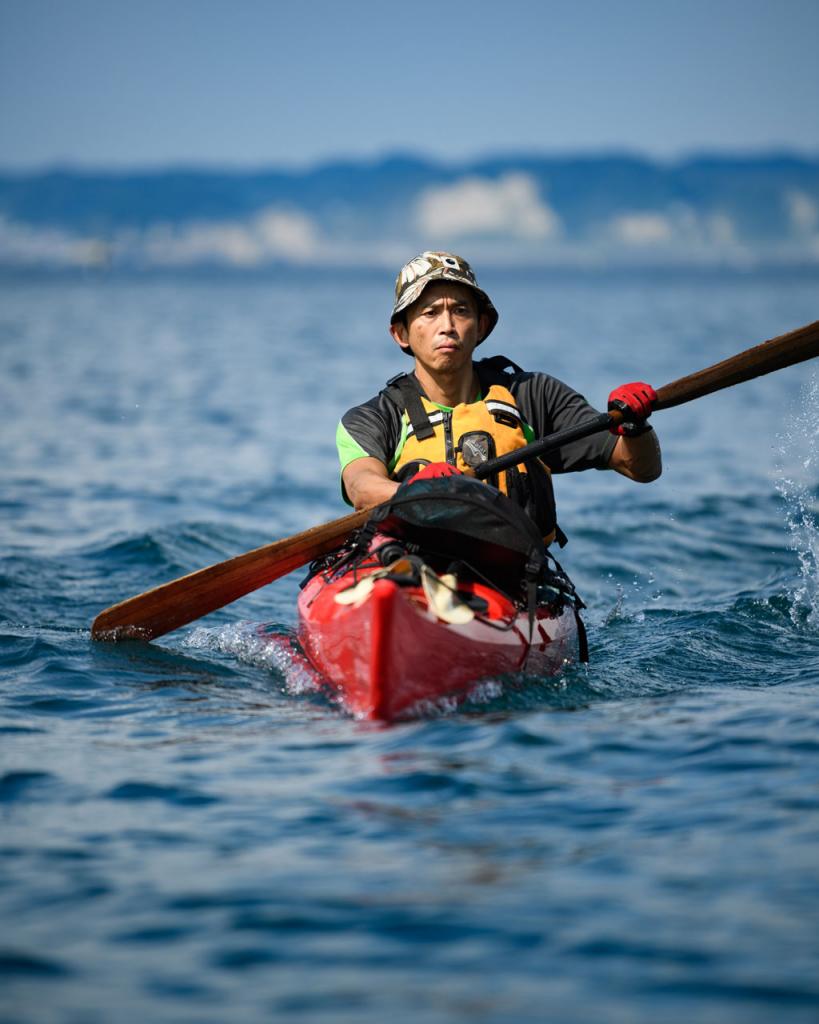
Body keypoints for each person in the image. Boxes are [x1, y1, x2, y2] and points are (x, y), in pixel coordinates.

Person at [336, 251, 661, 542]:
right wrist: (416, 492)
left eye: (460, 311)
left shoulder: (533, 395)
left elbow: (642, 469)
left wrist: (635, 427)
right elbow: (361, 487)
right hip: (412, 568)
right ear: (402, 333)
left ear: (480, 326)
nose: (447, 325)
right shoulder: (373, 417)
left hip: (516, 576)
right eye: (430, 312)